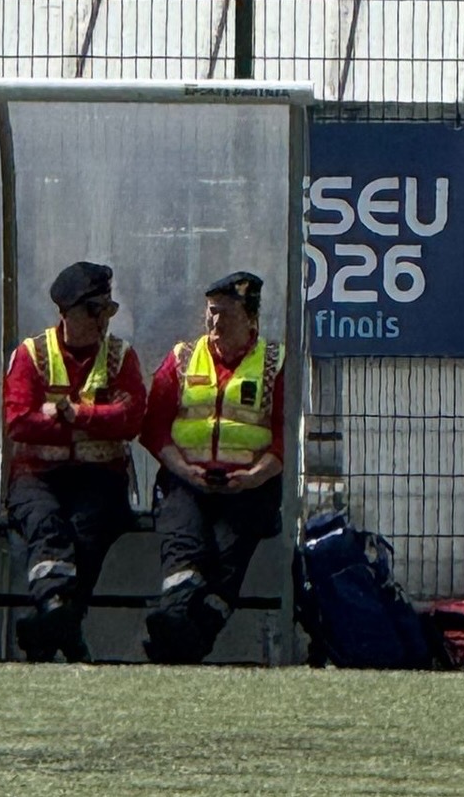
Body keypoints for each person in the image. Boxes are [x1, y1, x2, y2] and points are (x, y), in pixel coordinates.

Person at [3, 261, 146, 662]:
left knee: (87, 531)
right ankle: (61, 622)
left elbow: (132, 419)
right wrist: (96, 423)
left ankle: (49, 621)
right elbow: (19, 422)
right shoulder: (32, 355)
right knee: (45, 523)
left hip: (101, 477)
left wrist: (74, 415)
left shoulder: (121, 357)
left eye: (107, 310)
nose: (102, 321)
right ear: (65, 312)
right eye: (93, 310)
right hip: (37, 476)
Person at [140, 271, 285, 664]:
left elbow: (285, 435)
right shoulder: (182, 358)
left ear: (250, 318)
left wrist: (254, 476)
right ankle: (176, 620)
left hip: (251, 486)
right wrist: (184, 470)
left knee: (227, 556)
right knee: (184, 546)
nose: (215, 322)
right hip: (185, 480)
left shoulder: (274, 364)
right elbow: (154, 428)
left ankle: (179, 638)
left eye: (226, 314)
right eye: (211, 312)